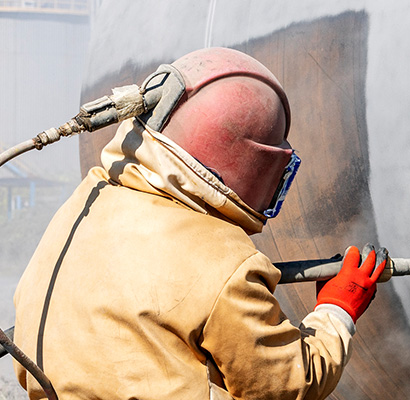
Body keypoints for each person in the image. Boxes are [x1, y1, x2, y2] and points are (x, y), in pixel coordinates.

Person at [12, 47, 382, 399]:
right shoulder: (224, 262)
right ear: (253, 167)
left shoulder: (88, 200)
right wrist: (336, 310)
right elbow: (284, 386)